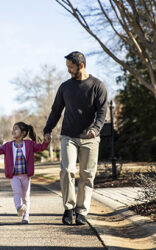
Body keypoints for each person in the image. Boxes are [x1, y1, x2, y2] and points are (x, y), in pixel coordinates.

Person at [43, 51, 108, 225]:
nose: (68, 70)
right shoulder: (65, 87)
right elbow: (56, 110)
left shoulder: (97, 86)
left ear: (80, 65)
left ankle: (82, 211)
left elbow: (102, 112)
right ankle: (69, 208)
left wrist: (96, 128)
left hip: (90, 137)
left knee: (87, 175)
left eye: (70, 67)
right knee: (67, 170)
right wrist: (47, 129)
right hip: (68, 136)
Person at [0, 122, 49, 224]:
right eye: (13, 128)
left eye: (16, 129)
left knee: (26, 197)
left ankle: (26, 217)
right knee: (17, 192)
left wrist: (46, 142)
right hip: (14, 176)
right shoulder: (8, 145)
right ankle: (19, 208)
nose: (13, 131)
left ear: (23, 133)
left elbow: (40, 148)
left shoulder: (29, 144)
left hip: (26, 175)